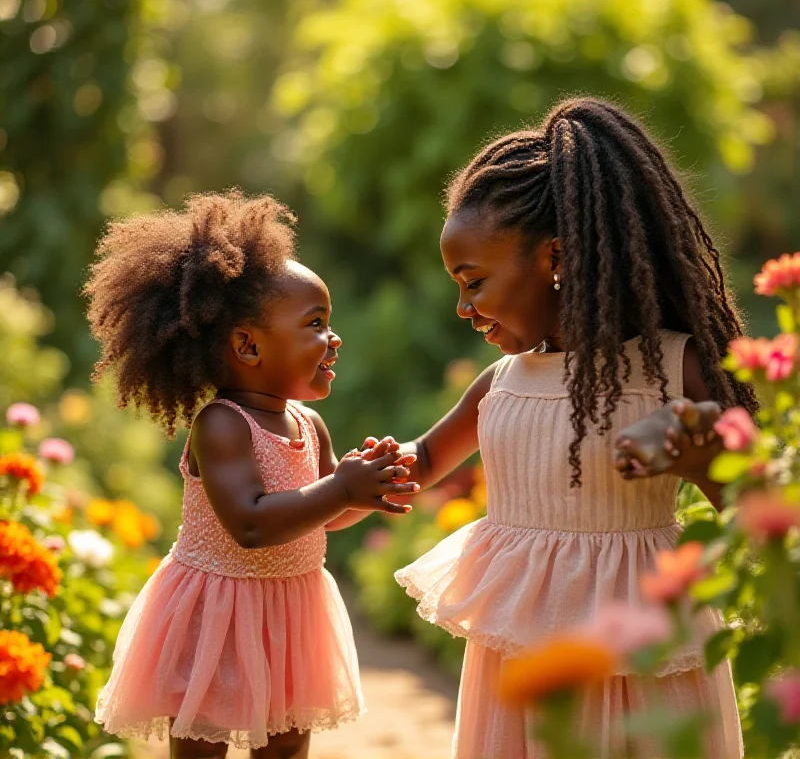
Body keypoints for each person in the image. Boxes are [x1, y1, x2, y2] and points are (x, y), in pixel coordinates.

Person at [386, 98, 755, 757]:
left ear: (553, 257)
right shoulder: (500, 384)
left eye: (473, 282)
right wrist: (339, 480)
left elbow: (763, 516)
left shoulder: (674, 368)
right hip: (522, 671)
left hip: (646, 665)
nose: (463, 308)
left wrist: (700, 465)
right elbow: (416, 465)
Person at [85, 191, 418, 758]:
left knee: (287, 743)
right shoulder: (222, 424)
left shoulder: (307, 423)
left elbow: (326, 516)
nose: (333, 337)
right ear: (247, 344)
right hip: (216, 613)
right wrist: (340, 487)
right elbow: (252, 523)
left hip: (289, 614)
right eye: (316, 323)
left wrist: (368, 488)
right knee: (201, 744)